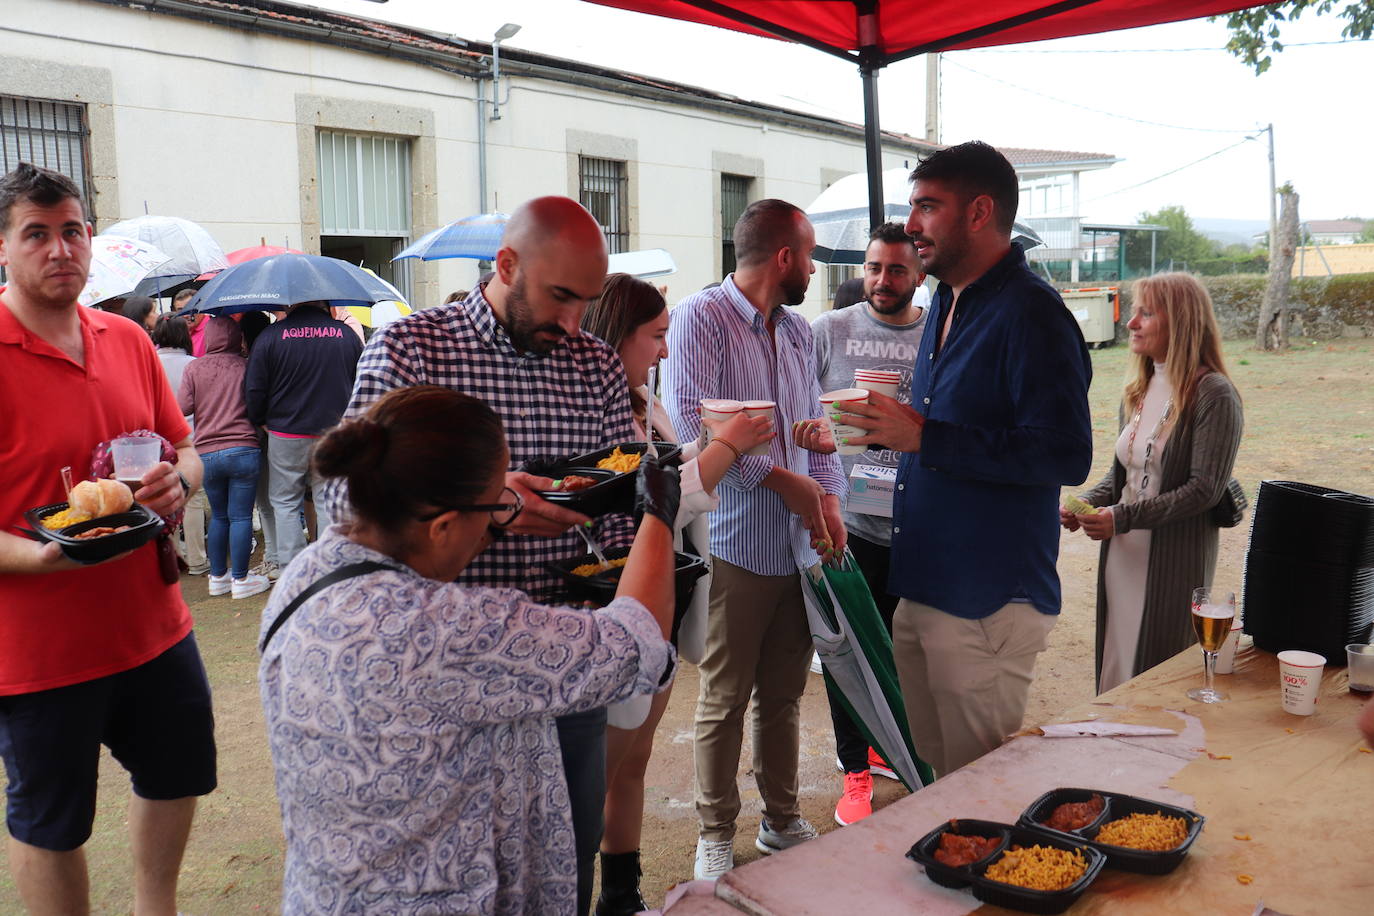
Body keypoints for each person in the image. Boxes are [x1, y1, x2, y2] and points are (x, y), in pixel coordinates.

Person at [260, 385, 681, 914]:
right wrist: (659, 514)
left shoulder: (305, 574)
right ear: (440, 526)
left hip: (328, 893)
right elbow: (633, 641)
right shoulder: (448, 630)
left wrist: (487, 506)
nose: (495, 523)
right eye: (488, 511)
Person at [328, 196, 636, 915]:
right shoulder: (411, 349)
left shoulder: (592, 363)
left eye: (587, 303)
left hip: (563, 662)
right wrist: (493, 509)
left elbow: (619, 496)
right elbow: (351, 515)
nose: (572, 324)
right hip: (440, 674)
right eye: (560, 297)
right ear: (506, 265)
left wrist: (623, 573)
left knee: (567, 861)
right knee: (456, 879)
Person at [841, 142, 1093, 778]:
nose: (912, 225)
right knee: (933, 775)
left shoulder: (1033, 314)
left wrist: (926, 436)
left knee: (978, 790)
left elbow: (1065, 452)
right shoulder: (948, 300)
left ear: (980, 211)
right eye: (913, 207)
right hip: (924, 582)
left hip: (987, 598)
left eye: (928, 207)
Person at [0, 162, 213, 913]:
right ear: (4, 246)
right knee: (52, 823)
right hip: (38, 649)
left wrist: (177, 483)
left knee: (179, 774)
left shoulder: (126, 338)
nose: (60, 249)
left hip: (154, 625)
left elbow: (185, 450)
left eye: (72, 230)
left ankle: (156, 907)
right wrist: (41, 555)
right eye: (37, 234)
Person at [664, 198, 847, 880]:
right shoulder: (700, 319)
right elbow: (694, 434)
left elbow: (816, 434)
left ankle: (781, 817)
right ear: (785, 258)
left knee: (785, 693)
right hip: (735, 545)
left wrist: (825, 496)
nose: (814, 269)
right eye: (810, 256)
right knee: (723, 695)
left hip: (799, 551)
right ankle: (715, 830)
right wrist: (786, 485)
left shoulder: (797, 331)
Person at [580, 273, 773, 915]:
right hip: (615, 607)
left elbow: (663, 469)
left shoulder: (641, 396)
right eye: (656, 337)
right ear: (617, 336)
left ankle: (621, 894)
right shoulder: (591, 407)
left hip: (664, 604)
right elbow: (657, 501)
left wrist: (706, 443)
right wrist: (724, 446)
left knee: (634, 759)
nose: (665, 351)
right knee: (598, 774)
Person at [795, 221, 930, 825]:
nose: (883, 280)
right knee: (848, 651)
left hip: (920, 525)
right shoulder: (828, 330)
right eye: (875, 268)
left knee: (912, 652)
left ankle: (896, 747)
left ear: (919, 275)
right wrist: (813, 433)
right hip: (848, 521)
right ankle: (854, 772)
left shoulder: (937, 335)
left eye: (897, 269)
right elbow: (795, 406)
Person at [1062, 272, 1243, 693]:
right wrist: (1086, 502)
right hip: (1122, 554)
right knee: (1117, 661)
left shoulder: (1214, 394)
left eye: (1146, 313)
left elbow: (1204, 489)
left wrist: (1120, 518)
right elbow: (1123, 475)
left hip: (1172, 561)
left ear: (1178, 321)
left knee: (1155, 680)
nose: (1131, 323)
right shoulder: (1139, 389)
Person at [244, 299, 363, 568]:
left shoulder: (270, 336)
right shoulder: (345, 335)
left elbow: (254, 387)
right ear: (324, 302)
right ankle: (331, 566)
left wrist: (260, 419)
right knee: (327, 499)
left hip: (286, 432)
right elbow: (362, 381)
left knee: (285, 502)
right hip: (334, 432)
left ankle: (292, 570)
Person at [179, 316, 271, 599]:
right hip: (243, 447)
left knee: (219, 516)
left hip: (206, 451)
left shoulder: (193, 368)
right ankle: (241, 580)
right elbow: (258, 402)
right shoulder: (246, 366)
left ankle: (218, 577)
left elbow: (183, 407)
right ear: (236, 337)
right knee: (241, 516)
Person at [154, 314, 210, 575]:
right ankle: (198, 559)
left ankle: (174, 553)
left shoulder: (150, 363)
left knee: (163, 496)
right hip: (191, 437)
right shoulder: (194, 364)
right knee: (193, 497)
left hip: (157, 441)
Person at [174, 289, 208, 356]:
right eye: (180, 311)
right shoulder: (175, 332)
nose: (185, 315)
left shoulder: (214, 330)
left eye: (189, 310)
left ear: (200, 306)